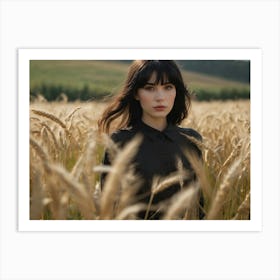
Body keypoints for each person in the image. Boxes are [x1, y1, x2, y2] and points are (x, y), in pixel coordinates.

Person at [98, 60, 204, 220]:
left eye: (168, 87)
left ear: (176, 91)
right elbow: (110, 207)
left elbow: (197, 206)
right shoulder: (121, 142)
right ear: (135, 93)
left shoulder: (191, 140)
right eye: (150, 88)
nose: (160, 97)